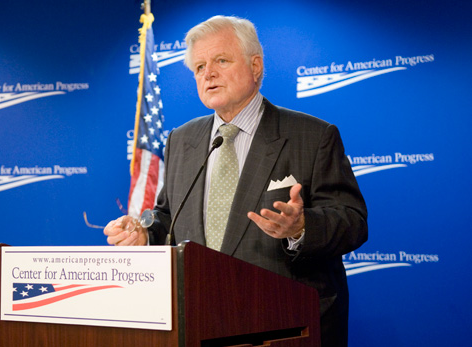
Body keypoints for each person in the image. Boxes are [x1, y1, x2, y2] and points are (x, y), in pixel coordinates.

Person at [104, 15, 367, 347]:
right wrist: (145, 232)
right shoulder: (182, 140)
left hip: (285, 326)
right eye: (199, 67)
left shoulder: (312, 136)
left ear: (255, 66)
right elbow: (169, 216)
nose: (208, 73)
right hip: (200, 324)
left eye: (221, 61)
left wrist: (301, 227)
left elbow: (353, 221)